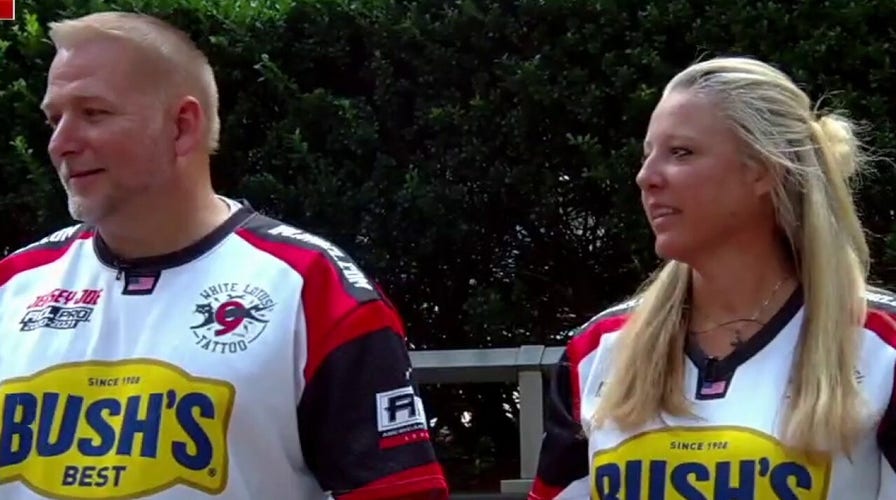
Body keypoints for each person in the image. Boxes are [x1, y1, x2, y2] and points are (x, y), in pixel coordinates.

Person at [0, 11, 448, 500]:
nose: (61, 143)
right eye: (54, 119)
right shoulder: (12, 285)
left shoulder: (314, 290)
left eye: (93, 113)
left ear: (182, 127)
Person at [528, 56, 896, 499]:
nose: (646, 177)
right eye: (647, 156)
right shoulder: (598, 350)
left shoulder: (881, 346)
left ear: (763, 170)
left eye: (681, 152)